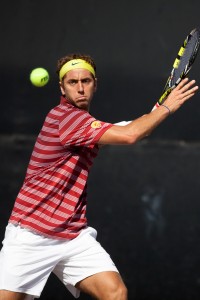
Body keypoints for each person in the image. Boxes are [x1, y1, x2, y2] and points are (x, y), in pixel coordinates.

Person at [0, 53, 198, 300]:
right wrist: (167, 108)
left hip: (72, 235)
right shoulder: (66, 118)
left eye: (86, 81)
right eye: (73, 82)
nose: (80, 88)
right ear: (61, 87)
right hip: (31, 234)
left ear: (96, 84)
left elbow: (129, 129)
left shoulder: (83, 124)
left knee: (115, 293)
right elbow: (130, 135)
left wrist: (155, 112)